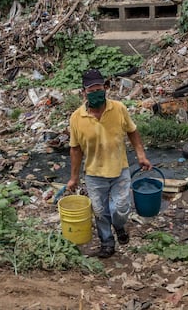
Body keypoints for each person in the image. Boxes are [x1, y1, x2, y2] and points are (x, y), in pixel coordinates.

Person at [67, 68, 152, 258]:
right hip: (93, 174)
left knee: (119, 209)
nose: (95, 93)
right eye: (91, 90)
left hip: (119, 169)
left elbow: (132, 131)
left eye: (99, 88)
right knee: (100, 212)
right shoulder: (76, 118)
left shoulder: (118, 108)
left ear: (105, 88)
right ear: (84, 92)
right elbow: (75, 149)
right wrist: (73, 178)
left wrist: (141, 155)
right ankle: (107, 243)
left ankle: (120, 226)